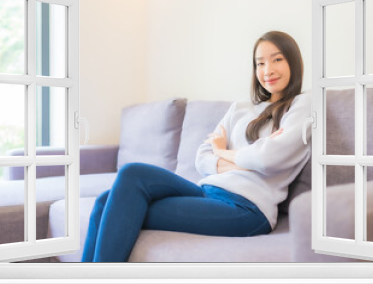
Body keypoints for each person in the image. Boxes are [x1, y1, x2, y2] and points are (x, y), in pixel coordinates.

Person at [81, 31, 312, 262]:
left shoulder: (303, 105)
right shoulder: (240, 108)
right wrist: (245, 161)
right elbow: (202, 157)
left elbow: (266, 160)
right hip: (207, 192)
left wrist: (222, 152)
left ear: (293, 61)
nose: (267, 70)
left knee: (117, 207)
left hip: (248, 209)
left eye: (277, 59)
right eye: (260, 63)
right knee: (123, 182)